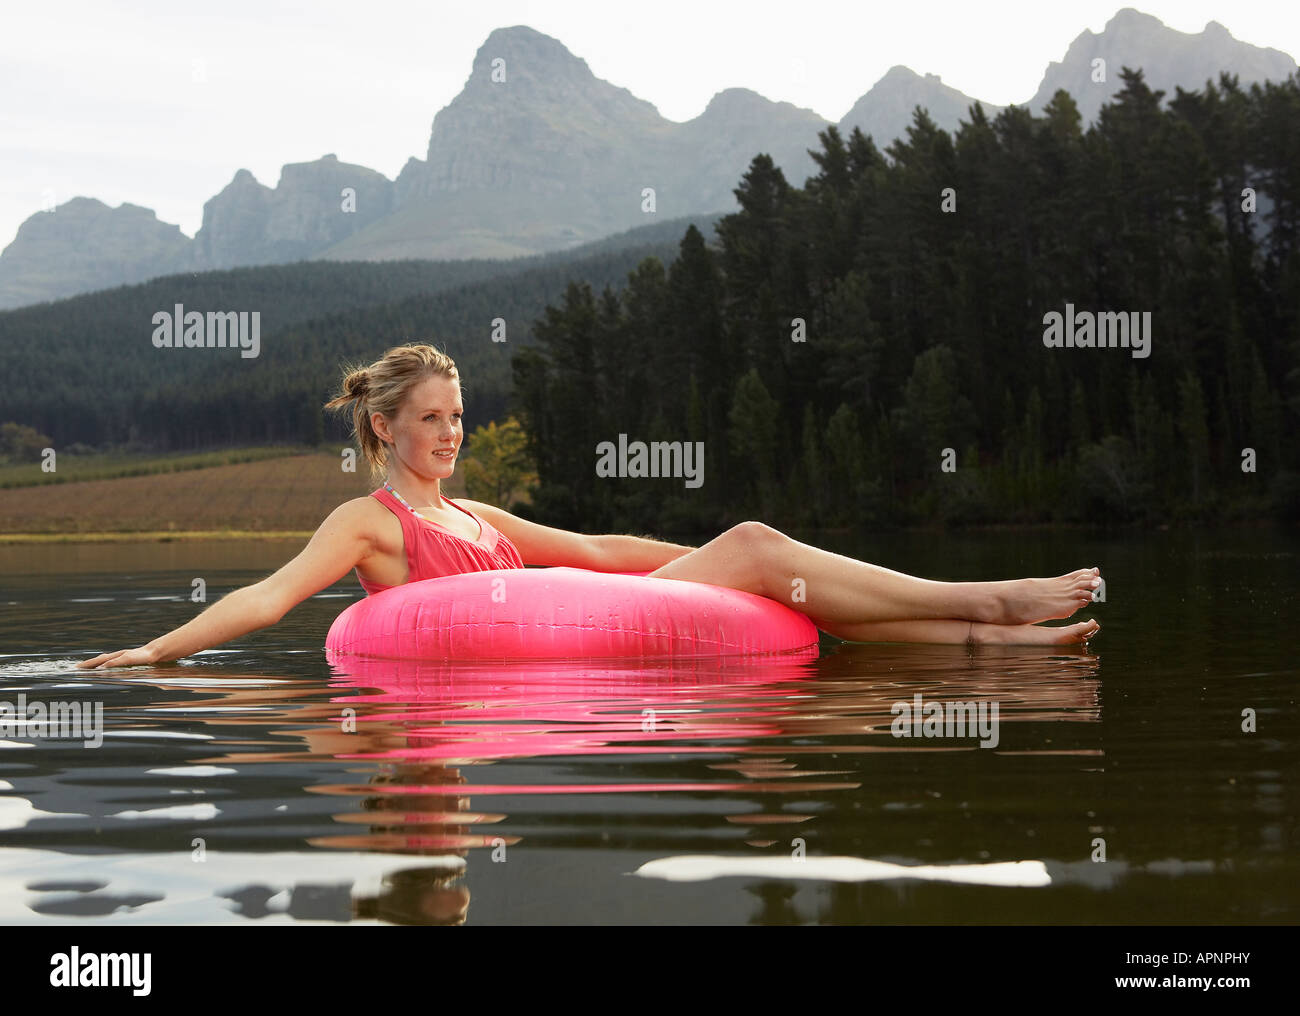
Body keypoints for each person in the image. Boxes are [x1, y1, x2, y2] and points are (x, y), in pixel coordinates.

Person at [78, 344, 1100, 670]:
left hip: (593, 624)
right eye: (430, 418)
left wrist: (697, 560)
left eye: (459, 415)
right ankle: (991, 598)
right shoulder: (373, 523)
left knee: (761, 572)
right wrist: (145, 654)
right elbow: (266, 597)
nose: (450, 433)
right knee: (754, 546)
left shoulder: (477, 515)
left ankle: (993, 643)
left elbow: (594, 546)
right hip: (538, 666)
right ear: (385, 428)